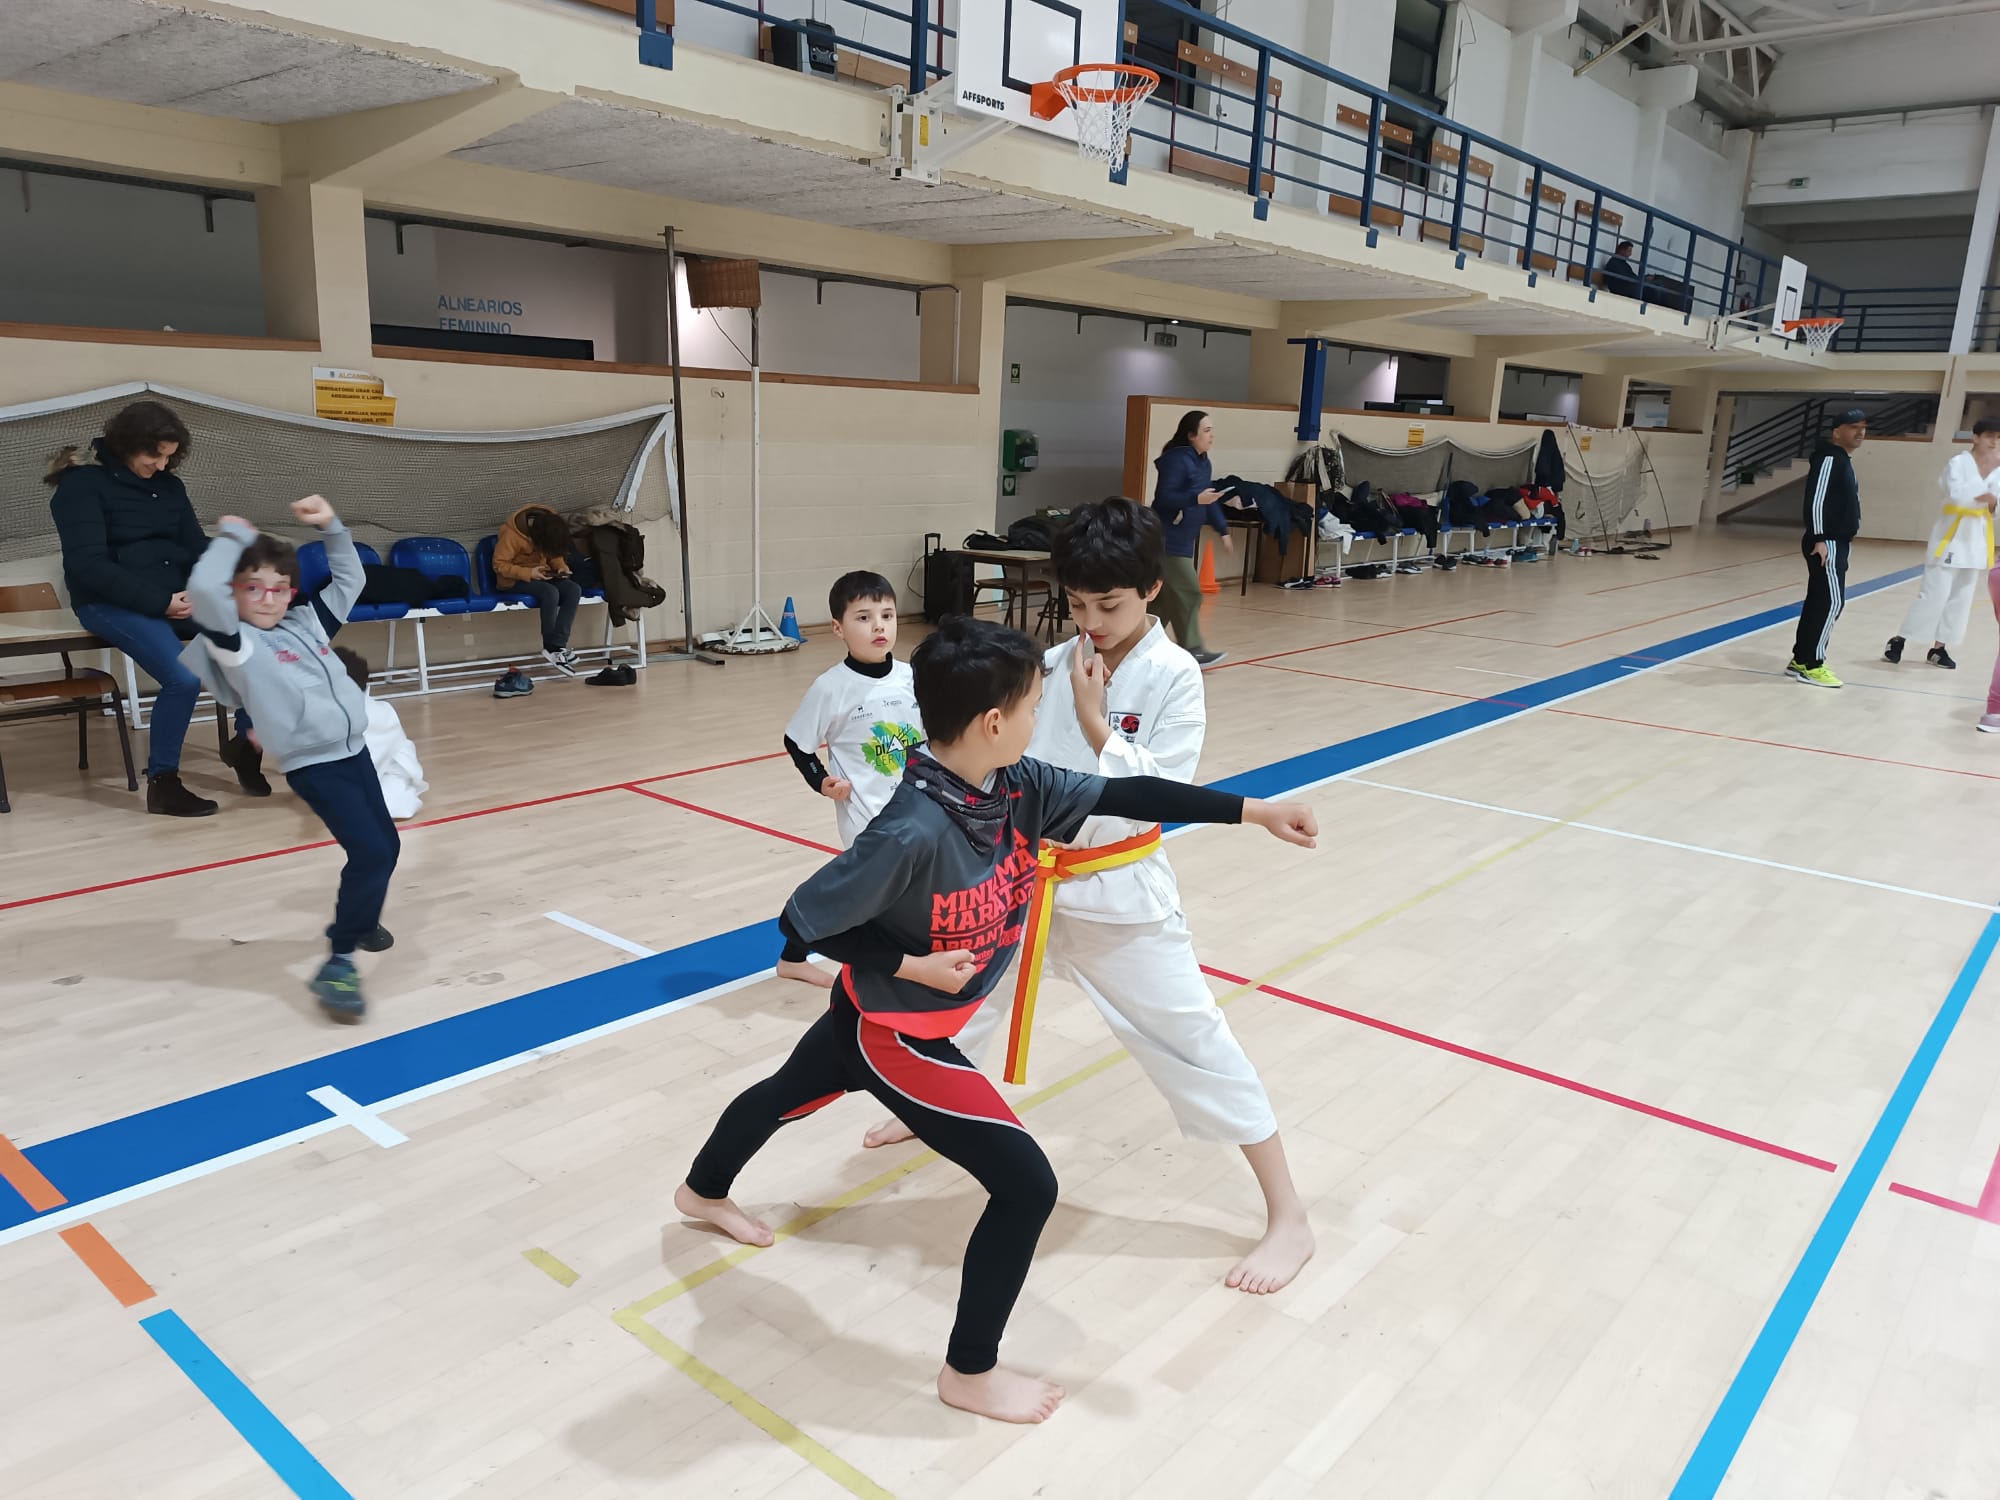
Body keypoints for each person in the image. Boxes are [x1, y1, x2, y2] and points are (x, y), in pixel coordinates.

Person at [674, 616, 1318, 1425]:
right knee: (1026, 1187)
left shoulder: (1016, 785)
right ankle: (968, 1372)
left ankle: (701, 1192)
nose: (1037, 716)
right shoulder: (911, 828)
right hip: (897, 1033)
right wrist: (911, 967)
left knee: (783, 1093)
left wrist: (1254, 810)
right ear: (991, 722)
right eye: (1033, 705)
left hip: (864, 1014)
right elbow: (802, 919)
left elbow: (1126, 795)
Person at [860, 499, 1315, 1294]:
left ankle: (1290, 1217)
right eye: (1076, 605)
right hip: (1026, 880)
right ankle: (925, 1104)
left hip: (1119, 892)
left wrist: (1095, 720)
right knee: (957, 1000)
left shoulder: (1174, 675)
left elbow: (1165, 790)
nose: (1092, 623)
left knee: (1193, 1040)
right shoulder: (1050, 660)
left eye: (1109, 604)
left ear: (1151, 590)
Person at [181, 497, 399, 1023]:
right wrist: (231, 539)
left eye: (280, 588)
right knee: (371, 852)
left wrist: (332, 526)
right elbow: (204, 591)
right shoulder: (238, 643)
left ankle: (361, 913)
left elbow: (351, 580)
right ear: (234, 592)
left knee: (385, 847)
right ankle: (339, 961)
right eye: (254, 587)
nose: (269, 599)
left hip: (353, 750)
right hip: (313, 764)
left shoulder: (306, 623)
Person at [45, 399, 260, 815]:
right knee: (182, 678)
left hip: (174, 597)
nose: (161, 466)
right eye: (154, 456)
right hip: (108, 602)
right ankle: (163, 785)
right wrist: (160, 602)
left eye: (168, 457)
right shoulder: (81, 486)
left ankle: (245, 745)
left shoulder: (169, 486)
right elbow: (88, 566)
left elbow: (193, 547)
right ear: (127, 444)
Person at [776, 571, 925, 988]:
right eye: (863, 617)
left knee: (881, 887)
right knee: (869, 890)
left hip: (916, 807)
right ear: (838, 628)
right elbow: (797, 742)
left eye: (887, 615)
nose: (879, 626)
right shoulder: (831, 688)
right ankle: (809, 949)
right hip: (867, 814)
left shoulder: (913, 677)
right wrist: (821, 781)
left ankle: (793, 956)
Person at [1886, 420, 2000, 672]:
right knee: (1933, 595)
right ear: (1976, 437)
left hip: (1976, 540)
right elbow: (1957, 496)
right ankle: (1899, 639)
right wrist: (1984, 485)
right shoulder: (1958, 463)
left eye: (1998, 437)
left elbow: (1995, 504)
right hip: (1950, 537)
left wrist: (1992, 500)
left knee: (1961, 598)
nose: (1994, 442)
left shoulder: (1998, 468)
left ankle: (1939, 648)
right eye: (1989, 436)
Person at [1787, 408, 1867, 689]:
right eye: (1853, 426)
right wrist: (1820, 537)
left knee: (1819, 602)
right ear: (1836, 432)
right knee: (1832, 602)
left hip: (1836, 540)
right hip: (1827, 542)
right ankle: (1812, 664)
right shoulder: (1830, 459)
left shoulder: (1841, 459)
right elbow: (1816, 499)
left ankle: (1801, 659)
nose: (1860, 432)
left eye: (1863, 427)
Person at [1150, 410, 1234, 667]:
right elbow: (1164, 498)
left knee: (1163, 601)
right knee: (1189, 592)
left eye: (1212, 430)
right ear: (1191, 435)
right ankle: (1193, 649)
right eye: (1206, 430)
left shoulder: (1203, 462)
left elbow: (1209, 500)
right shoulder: (1176, 460)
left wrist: (1223, 530)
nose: (1211, 435)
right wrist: (1195, 498)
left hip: (1184, 540)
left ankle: (1135, 645)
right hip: (1166, 538)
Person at [334, 647, 428, 820]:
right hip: (359, 773)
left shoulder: (378, 714)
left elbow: (370, 762)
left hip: (391, 771)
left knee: (378, 807)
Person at [494, 505, 583, 677]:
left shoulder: (551, 525)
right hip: (514, 580)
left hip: (542, 575)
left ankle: (559, 644)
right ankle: (550, 647)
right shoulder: (511, 534)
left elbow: (554, 554)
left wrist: (561, 567)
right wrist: (529, 573)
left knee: (573, 589)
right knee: (550, 592)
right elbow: (499, 565)